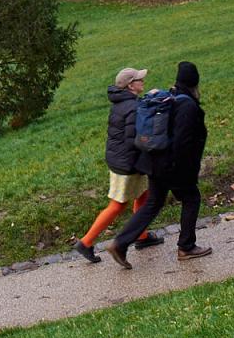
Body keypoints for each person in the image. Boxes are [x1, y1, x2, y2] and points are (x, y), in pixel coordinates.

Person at [109, 60, 212, 268]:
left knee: (153, 203)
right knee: (191, 197)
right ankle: (186, 246)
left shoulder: (170, 96)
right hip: (171, 165)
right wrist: (187, 172)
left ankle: (120, 243)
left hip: (154, 161)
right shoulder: (188, 106)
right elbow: (183, 144)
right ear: (195, 82)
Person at [72, 67, 164, 263]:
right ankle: (86, 242)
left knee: (143, 195)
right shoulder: (132, 107)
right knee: (117, 205)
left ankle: (141, 235)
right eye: (139, 79)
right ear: (131, 85)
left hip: (118, 158)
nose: (143, 81)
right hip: (128, 163)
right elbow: (135, 138)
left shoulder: (122, 103)